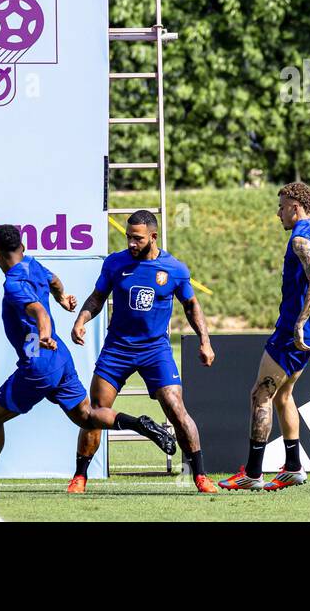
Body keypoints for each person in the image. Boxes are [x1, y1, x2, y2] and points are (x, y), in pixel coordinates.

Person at [0, 224, 179, 497]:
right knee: (88, 416)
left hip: (38, 363)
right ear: (21, 247)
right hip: (60, 359)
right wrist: (62, 299)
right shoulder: (32, 265)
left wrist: (44, 333)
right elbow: (54, 280)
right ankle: (138, 423)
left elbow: (37, 312)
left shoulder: (13, 284)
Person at [70, 210, 217, 495]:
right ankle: (80, 477)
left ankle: (200, 475)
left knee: (176, 408)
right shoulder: (115, 263)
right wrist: (80, 320)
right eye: (128, 237)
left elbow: (191, 306)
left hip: (155, 350)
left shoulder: (174, 268)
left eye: (137, 238)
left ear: (153, 237)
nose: (131, 243)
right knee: (94, 413)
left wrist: (205, 341)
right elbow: (98, 297)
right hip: (117, 348)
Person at [218, 182, 310, 492]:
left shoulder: (301, 239)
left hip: (291, 332)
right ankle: (293, 467)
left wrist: (300, 324)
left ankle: (254, 473)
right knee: (284, 395)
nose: (278, 214)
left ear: (295, 207)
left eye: (282, 207)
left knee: (261, 395)